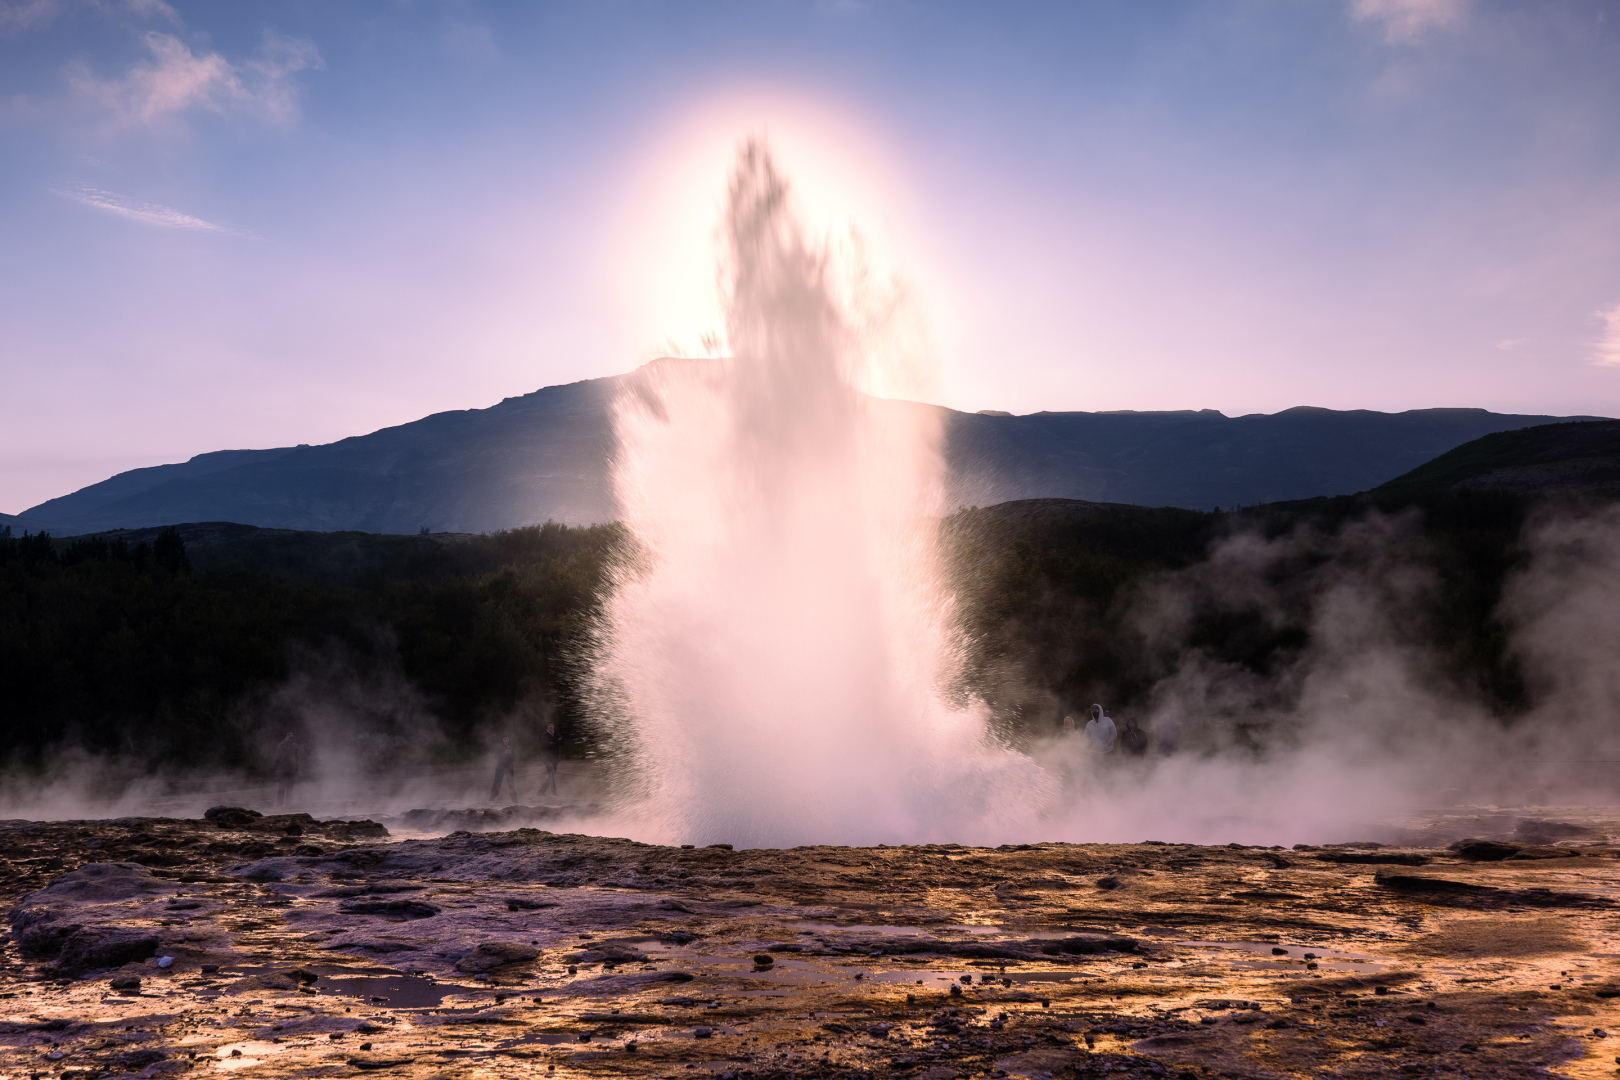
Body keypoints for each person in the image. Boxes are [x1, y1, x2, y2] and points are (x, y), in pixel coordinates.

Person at [272, 732, 300, 806]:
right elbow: (277, 758)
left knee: (290, 788)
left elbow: (297, 758)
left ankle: (288, 803)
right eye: (289, 737)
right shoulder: (281, 745)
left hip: (292, 770)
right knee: (281, 787)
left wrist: (297, 769)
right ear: (286, 737)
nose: (290, 739)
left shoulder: (294, 746)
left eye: (292, 737)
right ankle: (279, 803)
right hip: (282, 770)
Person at [490, 735, 518, 803]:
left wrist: (510, 754)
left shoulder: (511, 747)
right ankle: (491, 799)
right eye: (505, 739)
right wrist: (504, 753)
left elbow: (514, 757)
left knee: (511, 783)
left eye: (507, 739)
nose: (506, 740)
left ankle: (514, 799)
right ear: (502, 740)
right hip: (500, 767)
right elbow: (496, 757)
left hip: (509, 767)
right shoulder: (498, 747)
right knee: (497, 782)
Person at [540, 721, 562, 796]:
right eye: (549, 726)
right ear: (547, 727)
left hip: (555, 758)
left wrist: (553, 742)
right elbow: (546, 745)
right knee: (551, 775)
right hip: (547, 758)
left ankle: (541, 791)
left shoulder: (556, 733)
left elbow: (562, 742)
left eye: (552, 726)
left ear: (554, 727)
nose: (551, 727)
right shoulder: (544, 735)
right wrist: (556, 741)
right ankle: (554, 792)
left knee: (552, 776)